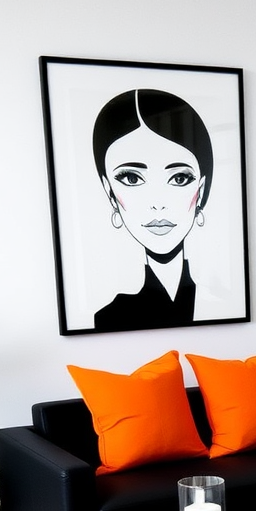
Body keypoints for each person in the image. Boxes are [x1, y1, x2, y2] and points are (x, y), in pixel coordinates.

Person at [92, 89, 213, 331]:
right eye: (132, 179)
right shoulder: (110, 316)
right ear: (109, 191)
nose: (158, 203)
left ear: (200, 188)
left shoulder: (215, 300)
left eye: (179, 178)